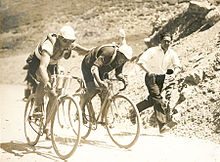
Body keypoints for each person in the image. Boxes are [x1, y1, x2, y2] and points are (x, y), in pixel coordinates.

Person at [25, 25, 89, 139]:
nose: (68, 44)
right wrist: (46, 82)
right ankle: (37, 108)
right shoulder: (49, 45)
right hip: (37, 64)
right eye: (65, 41)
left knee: (54, 97)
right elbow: (42, 68)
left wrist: (93, 51)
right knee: (45, 84)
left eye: (71, 41)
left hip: (52, 65)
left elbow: (80, 49)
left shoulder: (67, 43)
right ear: (59, 38)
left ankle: (48, 127)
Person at [133, 33, 182, 133]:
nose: (167, 43)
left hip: (161, 78)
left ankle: (134, 111)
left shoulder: (171, 53)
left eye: (169, 41)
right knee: (158, 98)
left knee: (152, 100)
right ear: (160, 41)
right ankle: (162, 125)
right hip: (151, 77)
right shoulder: (152, 51)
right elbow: (140, 62)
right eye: (165, 41)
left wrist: (174, 74)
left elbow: (178, 66)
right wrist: (148, 71)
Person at [80, 42, 132, 124]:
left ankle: (103, 118)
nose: (123, 61)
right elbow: (94, 68)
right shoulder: (108, 53)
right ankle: (81, 108)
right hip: (89, 65)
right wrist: (100, 82)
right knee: (92, 89)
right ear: (119, 53)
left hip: (101, 69)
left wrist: (123, 79)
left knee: (106, 93)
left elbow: (118, 73)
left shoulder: (122, 59)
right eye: (123, 58)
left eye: (126, 60)